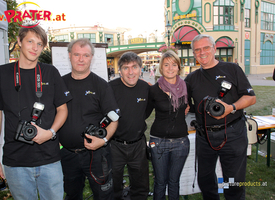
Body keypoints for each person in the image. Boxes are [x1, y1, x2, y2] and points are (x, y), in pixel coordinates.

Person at [0, 25, 72, 199]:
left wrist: (50, 133)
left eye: (39, 44)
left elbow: (63, 109)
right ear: (19, 42)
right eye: (30, 41)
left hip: (49, 159)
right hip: (16, 161)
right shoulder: (1, 74)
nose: (35, 48)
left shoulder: (50, 72)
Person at [184, 34, 256, 200]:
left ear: (214, 48)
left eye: (206, 48)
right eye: (197, 50)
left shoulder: (232, 69)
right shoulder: (191, 78)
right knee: (206, 180)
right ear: (194, 54)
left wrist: (230, 107)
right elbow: (187, 105)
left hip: (233, 133)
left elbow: (251, 98)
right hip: (205, 136)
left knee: (234, 183)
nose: (202, 52)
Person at [59, 38, 119, 200]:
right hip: (68, 154)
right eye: (77, 54)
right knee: (72, 195)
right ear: (70, 55)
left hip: (97, 154)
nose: (81, 59)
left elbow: (114, 118)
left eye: (85, 55)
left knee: (103, 196)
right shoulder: (60, 83)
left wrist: (104, 140)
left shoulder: (101, 85)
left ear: (91, 57)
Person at [147, 50, 190, 200]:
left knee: (173, 181)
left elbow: (194, 106)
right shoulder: (153, 90)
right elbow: (143, 113)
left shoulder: (186, 88)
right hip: (158, 142)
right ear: (161, 68)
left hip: (181, 142)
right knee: (160, 182)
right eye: (166, 65)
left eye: (174, 64)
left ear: (179, 67)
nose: (170, 68)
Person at [109, 52, 150, 200]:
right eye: (126, 68)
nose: (131, 72)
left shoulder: (146, 88)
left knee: (141, 186)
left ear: (140, 69)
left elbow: (146, 112)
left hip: (138, 145)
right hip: (114, 145)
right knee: (113, 186)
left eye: (134, 67)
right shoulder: (110, 88)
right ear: (119, 70)